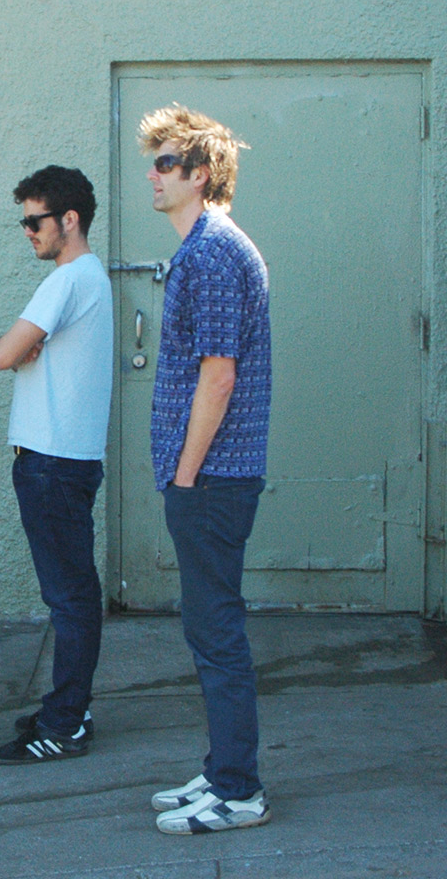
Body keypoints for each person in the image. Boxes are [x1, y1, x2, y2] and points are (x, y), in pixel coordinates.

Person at [138, 105, 273, 835]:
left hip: (212, 479)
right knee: (208, 628)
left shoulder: (213, 253)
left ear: (200, 174)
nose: (152, 178)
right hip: (207, 476)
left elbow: (217, 376)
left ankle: (239, 790)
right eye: (153, 162)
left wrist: (186, 475)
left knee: (216, 631)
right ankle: (223, 768)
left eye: (165, 164)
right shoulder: (203, 251)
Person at [0, 166, 113, 764]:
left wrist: (20, 349)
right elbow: (17, 353)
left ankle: (66, 723)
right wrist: (24, 350)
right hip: (64, 461)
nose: (28, 232)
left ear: (69, 220)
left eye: (34, 222)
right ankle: (70, 706)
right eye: (24, 222)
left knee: (70, 599)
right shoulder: (91, 279)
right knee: (72, 594)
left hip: (52, 464)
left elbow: (1, 354)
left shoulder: (66, 282)